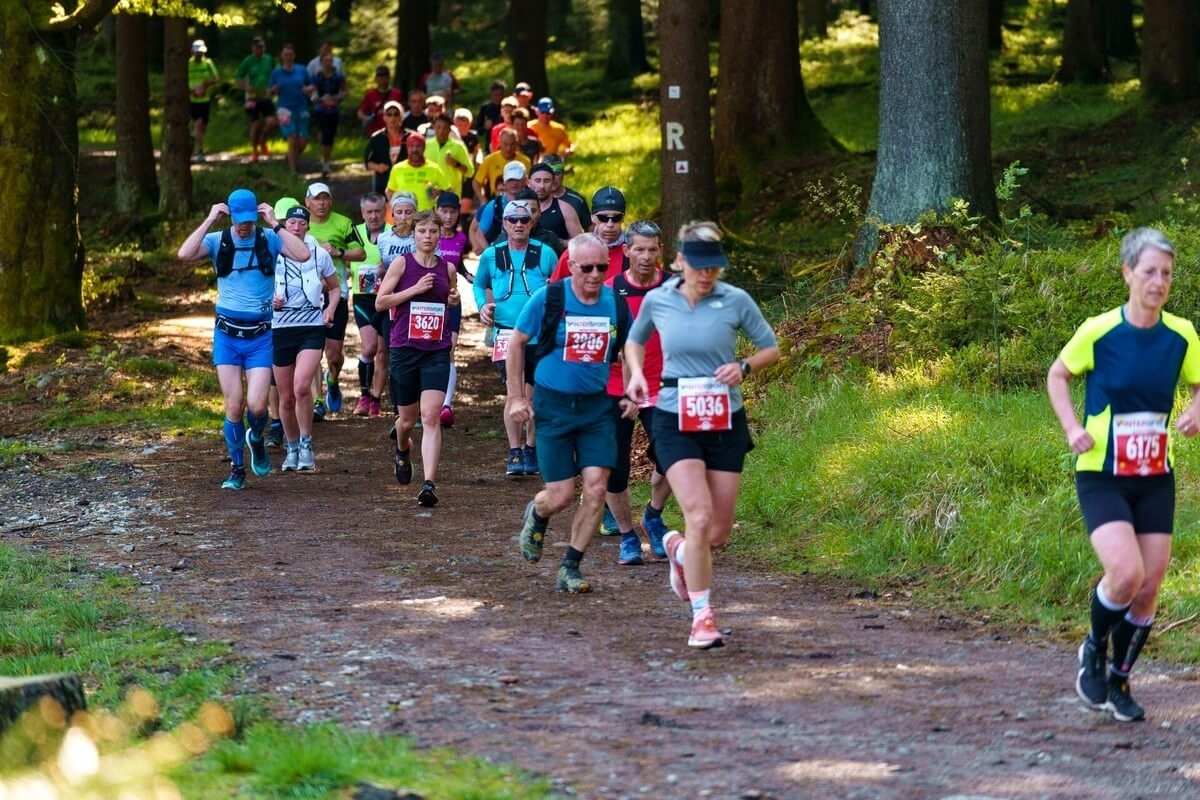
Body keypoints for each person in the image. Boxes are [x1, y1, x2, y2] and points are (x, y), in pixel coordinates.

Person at [1047, 227, 1200, 722]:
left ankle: (1119, 682)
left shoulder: (1182, 335)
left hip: (1156, 475)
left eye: (1167, 274)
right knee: (1126, 574)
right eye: (1150, 271)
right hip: (1103, 473)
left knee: (1150, 585)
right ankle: (1093, 647)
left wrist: (1198, 408)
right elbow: (1058, 375)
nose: (1159, 282)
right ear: (1128, 273)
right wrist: (1072, 428)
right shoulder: (1099, 330)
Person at [624, 221, 780, 649]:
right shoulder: (659, 300)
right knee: (698, 515)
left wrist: (744, 367)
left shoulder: (736, 300)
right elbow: (633, 343)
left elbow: (772, 348)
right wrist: (637, 375)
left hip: (725, 419)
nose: (707, 275)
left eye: (714, 267)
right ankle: (702, 618)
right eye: (699, 267)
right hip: (674, 417)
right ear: (678, 262)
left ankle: (675, 549)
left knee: (717, 534)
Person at [510, 233, 634, 594]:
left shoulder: (615, 304)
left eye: (602, 267)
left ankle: (571, 566)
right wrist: (517, 398)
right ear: (572, 265)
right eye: (587, 268)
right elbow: (517, 341)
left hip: (597, 407)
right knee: (560, 494)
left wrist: (628, 392)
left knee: (596, 487)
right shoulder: (550, 298)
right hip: (554, 406)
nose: (595, 275)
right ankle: (538, 512)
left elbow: (627, 350)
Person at [175, 188, 308, 489]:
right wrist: (210, 219)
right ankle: (237, 469)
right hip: (227, 337)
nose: (245, 226)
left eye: (250, 220)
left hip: (260, 337)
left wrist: (275, 222)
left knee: (258, 406)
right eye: (240, 220)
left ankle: (256, 439)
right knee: (234, 406)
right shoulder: (218, 240)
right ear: (232, 216)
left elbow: (302, 254)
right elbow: (183, 254)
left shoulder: (269, 238)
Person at [376, 210, 460, 507]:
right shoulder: (402, 263)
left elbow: (450, 298)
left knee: (431, 417)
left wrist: (453, 300)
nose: (428, 236)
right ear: (414, 234)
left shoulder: (447, 268)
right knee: (408, 421)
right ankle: (401, 449)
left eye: (433, 231)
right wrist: (414, 289)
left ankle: (429, 484)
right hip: (404, 349)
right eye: (422, 231)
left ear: (440, 234)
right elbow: (381, 301)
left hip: (435, 351)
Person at [472, 200, 557, 476]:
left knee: (533, 397)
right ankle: (514, 450)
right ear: (504, 223)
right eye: (512, 220)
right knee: (513, 393)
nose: (518, 224)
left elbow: (558, 287)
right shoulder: (491, 254)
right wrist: (482, 306)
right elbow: (478, 283)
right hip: (506, 332)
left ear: (531, 222)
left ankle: (531, 447)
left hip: (539, 335)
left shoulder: (545, 253)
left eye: (523, 219)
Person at [605, 220, 673, 565]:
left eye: (652, 249)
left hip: (663, 387)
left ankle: (653, 515)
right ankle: (628, 536)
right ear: (626, 250)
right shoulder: (609, 290)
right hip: (616, 389)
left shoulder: (675, 287)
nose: (646, 256)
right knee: (613, 469)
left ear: (660, 250)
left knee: (674, 459)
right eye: (639, 249)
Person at [271, 205, 340, 471]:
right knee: (286, 397)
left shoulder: (318, 254)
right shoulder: (272, 253)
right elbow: (258, 288)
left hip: (311, 326)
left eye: (301, 223)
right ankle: (291, 447)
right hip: (280, 328)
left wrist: (330, 309)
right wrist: (270, 301)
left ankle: (307, 444)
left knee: (302, 387)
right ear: (284, 225)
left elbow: (334, 288)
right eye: (291, 222)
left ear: (307, 226)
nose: (296, 227)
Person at [303, 182, 364, 419]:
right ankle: (317, 400)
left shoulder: (343, 223)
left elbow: (360, 252)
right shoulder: (300, 224)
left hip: (336, 292)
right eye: (316, 199)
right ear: (307, 201)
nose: (321, 203)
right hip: (307, 295)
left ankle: (333, 378)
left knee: (333, 353)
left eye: (325, 198)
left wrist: (338, 252)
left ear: (331, 201)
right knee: (313, 350)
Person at [349, 193, 389, 418]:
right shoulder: (354, 233)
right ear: (362, 213)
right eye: (369, 212)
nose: (373, 216)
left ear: (384, 211)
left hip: (386, 297)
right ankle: (364, 394)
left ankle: (376, 398)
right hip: (363, 296)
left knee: (383, 353)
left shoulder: (393, 233)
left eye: (377, 211)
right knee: (370, 347)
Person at [435, 191, 470, 428]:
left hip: (453, 301)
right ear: (436, 211)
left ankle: (446, 406)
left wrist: (472, 277)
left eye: (452, 212)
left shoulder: (461, 238)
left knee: (449, 350)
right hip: (430, 303)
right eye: (444, 211)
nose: (448, 216)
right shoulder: (428, 236)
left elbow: (460, 265)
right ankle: (427, 401)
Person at [550, 186, 627, 281]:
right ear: (592, 218)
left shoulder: (634, 251)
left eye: (616, 218)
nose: (609, 224)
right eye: (603, 218)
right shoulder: (575, 251)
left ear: (623, 218)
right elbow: (553, 291)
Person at [269, 43, 315, 176]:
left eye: (290, 55)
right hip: (284, 110)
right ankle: (293, 170)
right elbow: (270, 92)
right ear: (282, 56)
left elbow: (311, 86)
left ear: (294, 56)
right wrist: (273, 90)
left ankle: (290, 158)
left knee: (303, 142)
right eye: (285, 55)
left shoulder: (302, 70)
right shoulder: (276, 73)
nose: (288, 57)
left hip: (301, 109)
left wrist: (308, 89)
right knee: (292, 138)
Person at [470, 160, 527, 253]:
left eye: (517, 179)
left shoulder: (532, 203)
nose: (514, 183)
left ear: (525, 180)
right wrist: (493, 255)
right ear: (504, 181)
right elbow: (479, 234)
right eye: (510, 179)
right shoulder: (494, 205)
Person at [386, 132, 453, 211]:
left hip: (427, 218)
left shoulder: (434, 168)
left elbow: (450, 192)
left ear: (424, 148)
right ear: (407, 148)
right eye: (412, 146)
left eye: (418, 146)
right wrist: (395, 208)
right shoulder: (397, 168)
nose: (415, 149)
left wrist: (440, 193)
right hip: (404, 217)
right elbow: (389, 191)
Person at [234, 35, 276, 162]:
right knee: (255, 124)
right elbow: (237, 78)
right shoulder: (248, 61)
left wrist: (273, 88)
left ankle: (263, 141)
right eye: (257, 47)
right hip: (252, 98)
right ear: (253, 48)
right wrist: (246, 86)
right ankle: (254, 151)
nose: (260, 49)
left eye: (262, 47)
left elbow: (275, 75)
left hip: (266, 95)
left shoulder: (269, 59)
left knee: (271, 122)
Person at [311, 52, 347, 179]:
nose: (328, 63)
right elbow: (313, 92)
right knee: (324, 135)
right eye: (325, 60)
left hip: (334, 110)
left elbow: (345, 91)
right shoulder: (317, 77)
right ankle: (325, 164)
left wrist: (337, 98)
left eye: (330, 60)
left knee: (330, 136)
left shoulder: (338, 76)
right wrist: (320, 99)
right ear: (321, 63)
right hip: (321, 110)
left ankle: (326, 159)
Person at [528, 163, 583, 242]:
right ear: (528, 183)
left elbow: (580, 242)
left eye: (546, 181)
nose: (542, 186)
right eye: (537, 181)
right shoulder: (518, 207)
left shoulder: (565, 209)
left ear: (552, 183)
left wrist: (560, 243)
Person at [475, 129, 530, 202]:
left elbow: (530, 183)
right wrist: (482, 199)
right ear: (499, 143)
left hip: (519, 200)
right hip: (496, 199)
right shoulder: (490, 159)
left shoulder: (525, 161)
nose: (508, 148)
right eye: (505, 144)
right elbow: (476, 182)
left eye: (512, 144)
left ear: (517, 143)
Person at [364, 100, 406, 196]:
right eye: (389, 114)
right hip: (383, 182)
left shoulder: (410, 136)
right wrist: (378, 167)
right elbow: (367, 162)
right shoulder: (376, 138)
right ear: (384, 117)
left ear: (401, 117)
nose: (392, 118)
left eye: (396, 114)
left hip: (406, 181)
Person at [187, 40, 219, 162]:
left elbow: (216, 78)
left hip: (205, 100)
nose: (199, 55)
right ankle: (200, 152)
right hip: (193, 100)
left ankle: (193, 141)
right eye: (197, 52)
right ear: (192, 52)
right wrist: (193, 91)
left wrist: (205, 85)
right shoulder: (188, 64)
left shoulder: (208, 63)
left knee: (202, 128)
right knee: (198, 124)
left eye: (201, 52)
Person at [358, 65, 404, 137]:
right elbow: (360, 112)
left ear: (389, 78)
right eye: (380, 77)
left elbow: (403, 112)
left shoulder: (397, 93)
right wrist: (366, 119)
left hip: (394, 131)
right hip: (375, 131)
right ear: (376, 79)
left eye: (385, 77)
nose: (383, 80)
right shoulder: (370, 94)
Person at [476, 80, 507, 154]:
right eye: (496, 95)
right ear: (491, 94)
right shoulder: (485, 108)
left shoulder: (507, 107)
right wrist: (485, 127)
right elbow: (478, 130)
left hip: (507, 145)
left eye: (501, 95)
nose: (498, 97)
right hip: (490, 146)